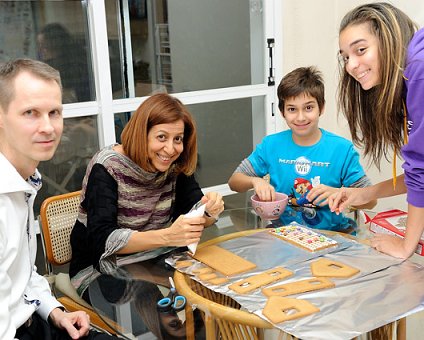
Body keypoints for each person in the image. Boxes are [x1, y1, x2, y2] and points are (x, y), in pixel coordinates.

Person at [0, 59, 118, 339]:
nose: (48, 127)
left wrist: (55, 311)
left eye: (54, 112)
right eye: (31, 113)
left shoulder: (24, 181)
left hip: (37, 323)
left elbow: (23, 275)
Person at [69, 93, 224, 301]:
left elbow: (193, 208)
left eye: (177, 139)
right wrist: (168, 236)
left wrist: (209, 210)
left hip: (158, 259)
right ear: (142, 134)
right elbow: (102, 241)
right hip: (102, 272)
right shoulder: (107, 166)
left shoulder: (174, 165)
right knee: (181, 304)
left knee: (218, 288)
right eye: (162, 137)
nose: (170, 149)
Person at [328, 2, 424, 259]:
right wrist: (365, 193)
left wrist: (406, 246)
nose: (351, 65)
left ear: (389, 39)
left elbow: (421, 169)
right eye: (346, 57)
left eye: (361, 50)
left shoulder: (419, 70)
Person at [228, 66, 376, 233]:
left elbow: (370, 201)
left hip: (333, 237)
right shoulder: (271, 145)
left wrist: (339, 193)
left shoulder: (341, 149)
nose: (300, 117)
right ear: (282, 112)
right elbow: (234, 182)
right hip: (283, 235)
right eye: (292, 109)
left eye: (308, 108)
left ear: (321, 107)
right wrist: (255, 181)